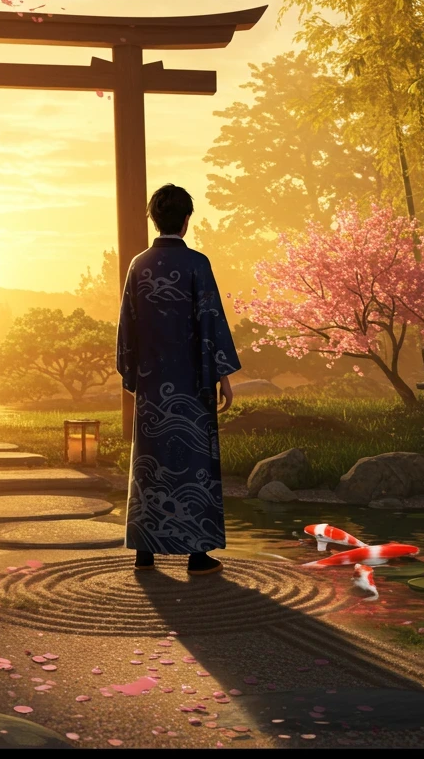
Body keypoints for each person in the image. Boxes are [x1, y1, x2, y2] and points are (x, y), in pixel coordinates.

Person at [116, 184, 241, 576]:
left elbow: (127, 328)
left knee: (151, 463)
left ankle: (145, 552)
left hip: (154, 387)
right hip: (191, 385)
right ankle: (197, 555)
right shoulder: (197, 265)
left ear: (155, 219)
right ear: (187, 220)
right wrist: (220, 375)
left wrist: (134, 375)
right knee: (193, 464)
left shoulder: (138, 264)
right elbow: (211, 322)